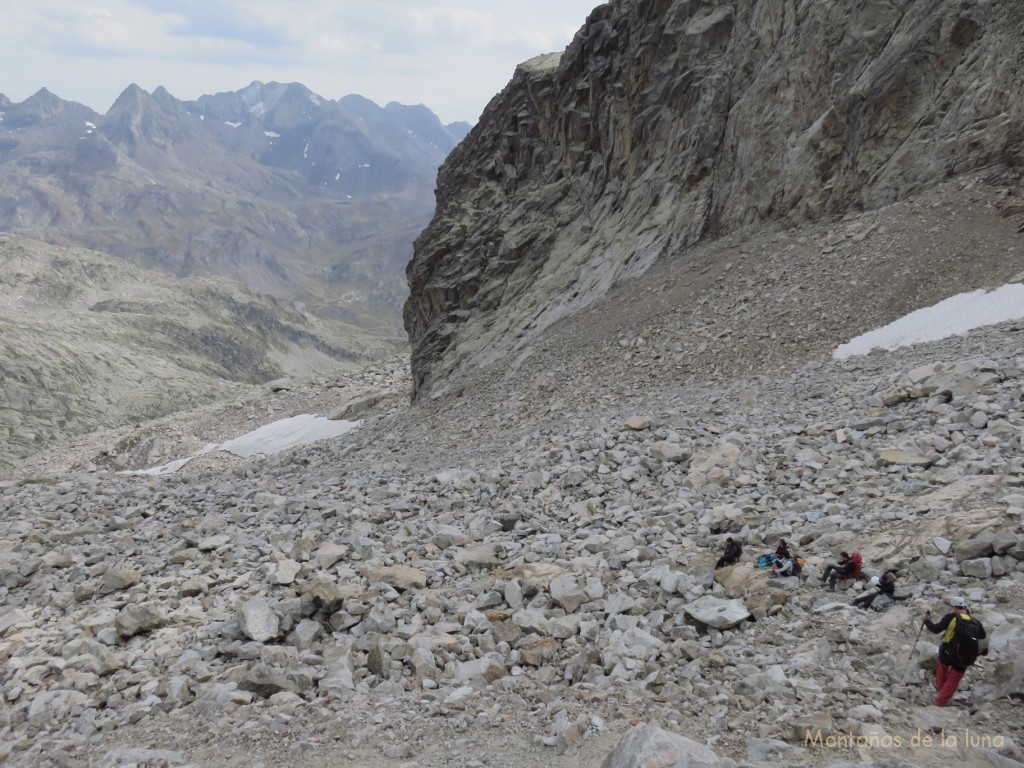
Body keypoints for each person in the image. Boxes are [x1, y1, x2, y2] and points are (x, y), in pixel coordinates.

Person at [923, 596, 986, 707]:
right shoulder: (975, 622)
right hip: (965, 656)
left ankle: (940, 692)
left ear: (954, 607)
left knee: (942, 669)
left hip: (948, 651)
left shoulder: (951, 617)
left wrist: (926, 621)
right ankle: (941, 701)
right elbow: (983, 635)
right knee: (954, 679)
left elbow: (936, 629)